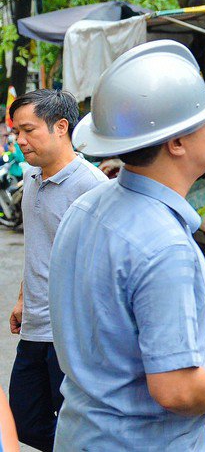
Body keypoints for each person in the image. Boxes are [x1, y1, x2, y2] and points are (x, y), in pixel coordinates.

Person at [48, 40, 205, 451]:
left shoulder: (86, 206)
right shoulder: (166, 247)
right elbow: (177, 390)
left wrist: (180, 325)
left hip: (80, 434)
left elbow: (103, 316)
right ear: (176, 143)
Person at [7, 89, 108, 451]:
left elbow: (104, 266)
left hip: (70, 334)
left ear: (61, 127)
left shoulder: (91, 187)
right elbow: (38, 246)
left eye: (28, 130)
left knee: (75, 423)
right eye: (17, 132)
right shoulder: (32, 178)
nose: (20, 140)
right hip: (35, 326)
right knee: (24, 421)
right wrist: (23, 299)